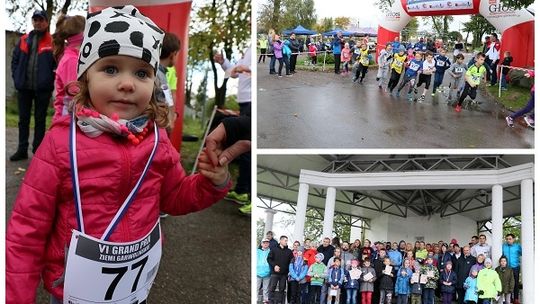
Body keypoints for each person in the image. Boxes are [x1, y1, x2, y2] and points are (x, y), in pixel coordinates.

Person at [6, 6, 231, 303]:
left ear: (153, 84)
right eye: (110, 68)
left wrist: (211, 182)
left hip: (132, 290)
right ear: (86, 78)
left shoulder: (156, 141)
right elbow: (26, 231)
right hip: (73, 292)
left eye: (141, 72)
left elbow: (174, 197)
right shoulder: (60, 144)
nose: (127, 83)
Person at [10, 10, 56, 161]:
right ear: (32, 22)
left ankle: (38, 151)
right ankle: (22, 150)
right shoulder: (23, 39)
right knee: (23, 119)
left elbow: (57, 65)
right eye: (35, 20)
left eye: (41, 20)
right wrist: (16, 78)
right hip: (24, 87)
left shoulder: (52, 42)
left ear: (47, 22)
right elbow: (15, 60)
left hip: (43, 89)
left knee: (40, 120)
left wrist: (50, 80)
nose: (38, 22)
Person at [52, 14, 85, 122]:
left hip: (71, 118)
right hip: (67, 121)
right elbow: (75, 94)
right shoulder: (71, 61)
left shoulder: (74, 57)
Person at [157, 32, 181, 132]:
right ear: (173, 55)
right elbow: (165, 100)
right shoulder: (160, 76)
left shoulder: (160, 74)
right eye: (177, 54)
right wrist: (169, 121)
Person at [268, 235, 294, 304]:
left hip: (284, 274)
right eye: (285, 240)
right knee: (272, 288)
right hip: (274, 273)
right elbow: (269, 259)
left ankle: (280, 302)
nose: (286, 242)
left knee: (282, 289)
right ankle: (270, 302)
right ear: (281, 241)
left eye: (287, 241)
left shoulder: (289, 251)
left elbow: (292, 262)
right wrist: (274, 266)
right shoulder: (274, 249)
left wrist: (289, 271)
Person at [501, 233, 522, 303]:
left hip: (515, 267)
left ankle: (516, 298)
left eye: (510, 239)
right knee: (507, 283)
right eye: (507, 239)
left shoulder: (518, 246)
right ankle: (509, 299)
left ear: (513, 239)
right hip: (506, 268)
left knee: (515, 283)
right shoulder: (503, 246)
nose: (508, 240)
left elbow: (524, 254)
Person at [257, 239, 272, 304]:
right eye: (264, 243)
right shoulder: (257, 251)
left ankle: (265, 300)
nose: (265, 244)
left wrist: (269, 270)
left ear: (269, 244)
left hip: (267, 273)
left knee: (266, 288)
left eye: (267, 243)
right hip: (257, 272)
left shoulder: (271, 252)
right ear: (261, 244)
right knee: (256, 287)